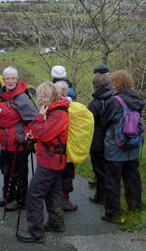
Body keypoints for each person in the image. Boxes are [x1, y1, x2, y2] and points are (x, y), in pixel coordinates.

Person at [17, 82, 69, 243]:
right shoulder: (56, 110)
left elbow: (42, 133)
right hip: (53, 158)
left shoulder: (58, 113)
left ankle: (36, 232)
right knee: (53, 190)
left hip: (50, 160)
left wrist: (39, 116)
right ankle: (56, 222)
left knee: (34, 193)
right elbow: (42, 133)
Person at [101, 70, 145, 224]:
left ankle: (112, 213)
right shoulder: (137, 98)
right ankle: (135, 207)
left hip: (116, 146)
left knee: (113, 180)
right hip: (133, 145)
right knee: (133, 177)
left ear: (115, 83)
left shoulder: (114, 101)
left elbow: (105, 121)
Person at [0, 66, 37, 211]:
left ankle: (21, 200)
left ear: (17, 80)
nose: (10, 81)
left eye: (13, 78)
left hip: (18, 144)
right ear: (3, 80)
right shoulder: (2, 96)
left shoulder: (22, 97)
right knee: (5, 170)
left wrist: (25, 137)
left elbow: (34, 120)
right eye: (7, 79)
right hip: (5, 144)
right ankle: (7, 196)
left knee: (19, 173)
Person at [87, 73, 113, 204]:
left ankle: (101, 196)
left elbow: (88, 122)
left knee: (99, 170)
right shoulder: (112, 99)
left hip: (97, 141)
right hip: (112, 139)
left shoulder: (95, 103)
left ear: (95, 86)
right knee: (108, 169)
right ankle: (108, 195)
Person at [53, 81, 77, 212]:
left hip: (56, 147)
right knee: (67, 174)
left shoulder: (51, 105)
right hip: (69, 145)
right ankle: (65, 199)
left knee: (58, 173)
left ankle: (57, 199)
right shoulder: (72, 105)